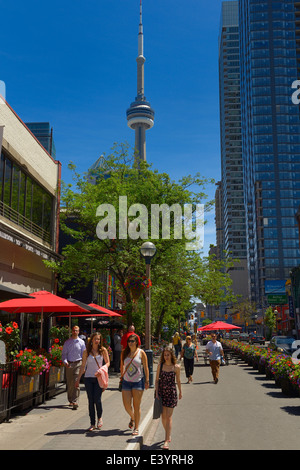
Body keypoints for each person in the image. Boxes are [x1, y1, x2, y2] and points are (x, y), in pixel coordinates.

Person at [75, 332, 110, 431]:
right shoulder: (86, 352)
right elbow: (83, 366)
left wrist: (102, 370)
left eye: (98, 339)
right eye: (95, 339)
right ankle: (92, 424)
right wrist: (78, 379)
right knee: (90, 401)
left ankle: (100, 418)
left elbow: (108, 363)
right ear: (91, 340)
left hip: (98, 378)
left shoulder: (103, 350)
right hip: (88, 378)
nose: (97, 341)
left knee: (97, 399)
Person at [120, 334, 149, 436]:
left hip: (138, 381)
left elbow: (146, 367)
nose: (130, 343)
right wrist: (122, 375)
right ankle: (133, 417)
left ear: (137, 342)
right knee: (126, 405)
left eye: (132, 341)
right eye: (129, 341)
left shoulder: (141, 353)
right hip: (126, 382)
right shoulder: (124, 353)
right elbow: (122, 366)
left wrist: (147, 380)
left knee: (136, 406)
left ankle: (136, 427)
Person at [155, 346, 182, 450]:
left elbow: (178, 381)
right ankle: (168, 433)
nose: (166, 357)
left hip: (171, 392)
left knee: (169, 417)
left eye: (168, 355)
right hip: (161, 392)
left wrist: (180, 392)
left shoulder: (176, 367)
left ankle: (166, 440)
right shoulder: (160, 366)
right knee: (163, 417)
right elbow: (157, 380)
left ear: (171, 355)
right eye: (164, 355)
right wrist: (157, 393)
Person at [62, 325, 86, 409]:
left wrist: (84, 366)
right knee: (70, 383)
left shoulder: (82, 342)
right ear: (71, 331)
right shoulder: (67, 342)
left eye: (76, 330)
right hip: (69, 364)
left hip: (78, 363)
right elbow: (64, 354)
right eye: (73, 330)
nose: (75, 332)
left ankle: (75, 401)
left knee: (76, 382)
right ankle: (70, 400)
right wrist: (65, 362)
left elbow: (84, 355)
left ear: (79, 332)